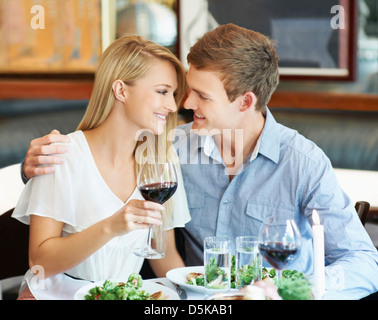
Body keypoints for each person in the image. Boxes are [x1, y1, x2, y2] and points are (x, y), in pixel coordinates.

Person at [21, 24, 378, 300]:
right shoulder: (170, 148)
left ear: (244, 102)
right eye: (182, 90)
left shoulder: (303, 164)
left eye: (200, 95)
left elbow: (364, 262)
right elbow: (94, 168)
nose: (184, 103)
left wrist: (292, 291)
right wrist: (33, 167)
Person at [13, 35, 190, 300]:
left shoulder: (162, 162)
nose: (172, 106)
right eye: (163, 92)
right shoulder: (62, 155)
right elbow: (40, 262)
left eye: (173, 94)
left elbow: (164, 256)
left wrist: (202, 299)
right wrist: (111, 226)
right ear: (121, 91)